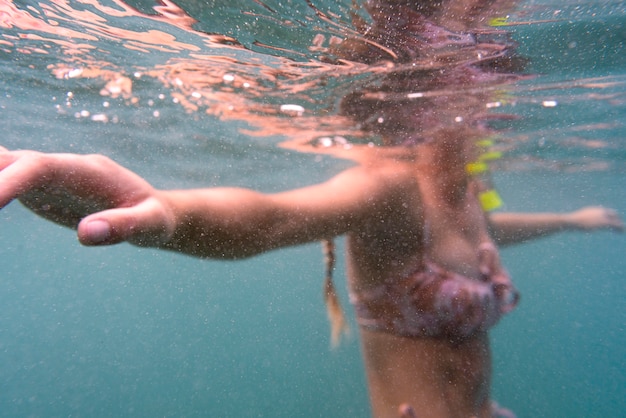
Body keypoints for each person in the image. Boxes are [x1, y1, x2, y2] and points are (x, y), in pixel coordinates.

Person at [1, 2, 623, 418]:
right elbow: (270, 219)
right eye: (476, 99)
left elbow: (485, 236)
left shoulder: (461, 194)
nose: (486, 117)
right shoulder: (388, 187)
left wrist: (573, 221)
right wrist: (166, 214)